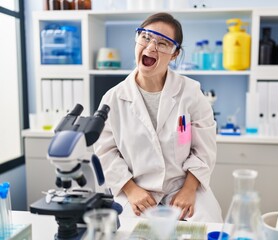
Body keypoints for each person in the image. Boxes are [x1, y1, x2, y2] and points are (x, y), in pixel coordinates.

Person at [93, 12, 222, 223]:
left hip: (183, 185)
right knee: (126, 233)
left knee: (209, 226)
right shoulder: (114, 98)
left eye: (163, 43)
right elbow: (105, 152)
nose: (151, 47)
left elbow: (204, 149)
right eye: (145, 37)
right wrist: (131, 189)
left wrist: (189, 189)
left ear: (174, 54)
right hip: (136, 189)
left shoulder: (190, 92)